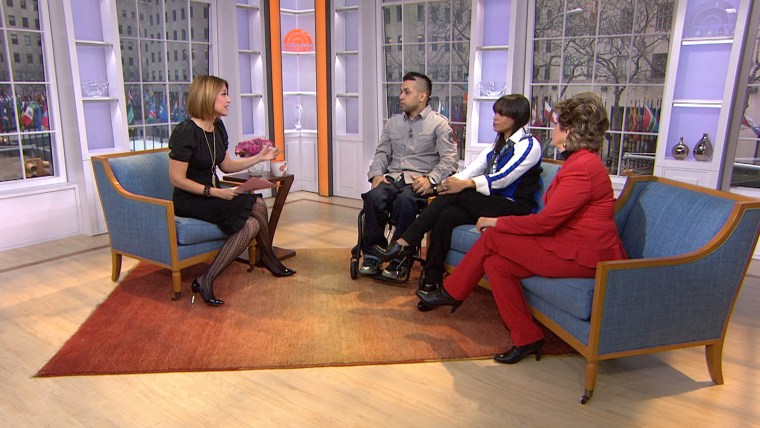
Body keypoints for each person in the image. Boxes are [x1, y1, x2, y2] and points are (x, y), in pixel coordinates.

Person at [416, 92, 627, 364]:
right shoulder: (579, 162)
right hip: (566, 244)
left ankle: (452, 293)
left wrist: (497, 222)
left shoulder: (583, 168)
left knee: (494, 239)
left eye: (558, 125)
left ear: (570, 131)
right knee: (497, 265)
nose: (553, 130)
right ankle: (527, 336)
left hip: (585, 255)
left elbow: (546, 221)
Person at [374, 94, 543, 293]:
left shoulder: (529, 144)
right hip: (492, 202)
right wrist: (447, 184)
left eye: (502, 113)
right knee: (446, 215)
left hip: (514, 206)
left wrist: (465, 185)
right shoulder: (496, 145)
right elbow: (470, 170)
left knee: (459, 194)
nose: (495, 117)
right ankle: (431, 279)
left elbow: (503, 177)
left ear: (517, 117)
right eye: (495, 112)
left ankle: (406, 241)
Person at [168, 75, 295, 306]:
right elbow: (177, 179)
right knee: (256, 205)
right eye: (224, 94)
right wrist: (215, 193)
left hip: (212, 194)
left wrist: (259, 157)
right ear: (207, 96)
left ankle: (207, 278)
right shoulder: (185, 131)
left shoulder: (217, 127)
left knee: (254, 218)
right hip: (191, 199)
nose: (229, 100)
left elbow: (226, 165)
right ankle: (268, 260)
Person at [359, 71, 459, 281]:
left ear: (422, 96)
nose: (401, 96)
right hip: (392, 177)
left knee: (405, 202)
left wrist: (431, 179)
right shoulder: (393, 123)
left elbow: (450, 160)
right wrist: (376, 174)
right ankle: (372, 254)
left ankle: (399, 259)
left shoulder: (439, 124)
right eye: (400, 92)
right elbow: (382, 153)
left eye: (406, 92)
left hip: (418, 181)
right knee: (374, 197)